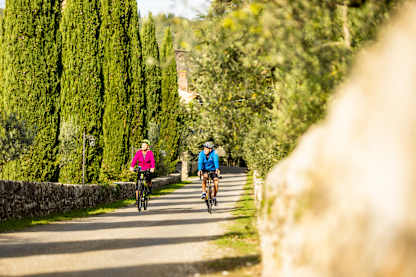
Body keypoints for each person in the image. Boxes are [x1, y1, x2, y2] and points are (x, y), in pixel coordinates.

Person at [130, 139, 155, 205]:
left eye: (145, 145)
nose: (143, 146)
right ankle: (137, 199)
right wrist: (132, 167)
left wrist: (152, 168)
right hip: (140, 169)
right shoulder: (138, 152)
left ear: (147, 146)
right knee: (138, 184)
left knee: (148, 180)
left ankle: (149, 190)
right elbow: (134, 159)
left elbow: (152, 161)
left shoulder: (150, 153)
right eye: (142, 145)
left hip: (147, 169)